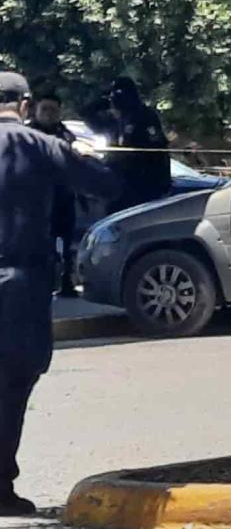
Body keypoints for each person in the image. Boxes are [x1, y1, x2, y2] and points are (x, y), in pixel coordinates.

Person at [0, 72, 119, 515]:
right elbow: (105, 183)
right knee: (12, 385)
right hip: (21, 283)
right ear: (26, 105)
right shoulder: (41, 146)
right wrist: (82, 153)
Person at [28, 93, 80, 297]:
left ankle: (67, 282)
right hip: (38, 199)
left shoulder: (64, 134)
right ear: (36, 111)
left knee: (68, 243)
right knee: (41, 243)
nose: (49, 115)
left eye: (53, 110)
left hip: (63, 196)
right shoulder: (28, 133)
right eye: (45, 110)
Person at [105, 77, 171, 213]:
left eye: (116, 93)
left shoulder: (145, 115)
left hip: (145, 183)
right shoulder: (120, 119)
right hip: (122, 183)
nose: (112, 98)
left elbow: (157, 148)